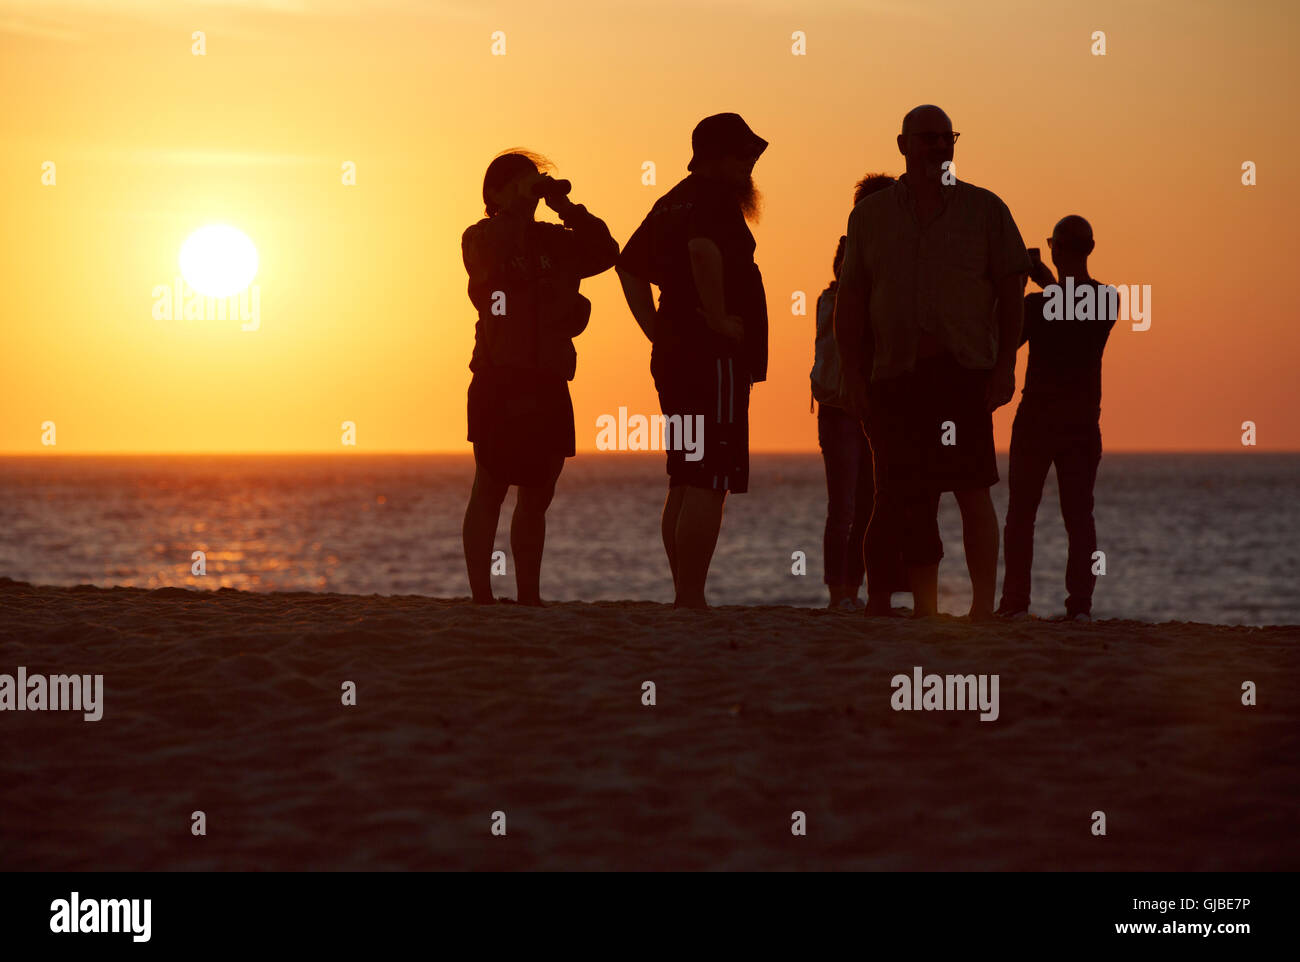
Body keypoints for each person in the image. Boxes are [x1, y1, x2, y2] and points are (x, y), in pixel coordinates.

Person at [835, 105, 1030, 619]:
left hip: (962, 374)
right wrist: (852, 374)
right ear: (903, 145)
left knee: (972, 490)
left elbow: (1013, 289)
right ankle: (916, 605)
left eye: (948, 138)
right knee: (902, 495)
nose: (939, 148)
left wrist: (1005, 364)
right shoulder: (871, 217)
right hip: (896, 377)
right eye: (928, 138)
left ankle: (984, 609)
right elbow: (851, 298)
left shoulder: (985, 210)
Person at [616, 113, 769, 608]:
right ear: (719, 158)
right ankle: (690, 596)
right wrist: (721, 320)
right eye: (744, 156)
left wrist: (656, 332)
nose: (750, 166)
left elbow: (629, 266)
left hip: (676, 353)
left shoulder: (669, 202)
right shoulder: (713, 199)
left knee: (685, 473)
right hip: (711, 357)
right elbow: (703, 251)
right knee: (709, 477)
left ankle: (685, 593)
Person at [460, 149, 618, 605]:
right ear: (496, 192)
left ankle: (529, 594)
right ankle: (482, 598)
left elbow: (606, 251)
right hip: (498, 379)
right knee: (490, 487)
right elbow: (488, 269)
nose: (531, 191)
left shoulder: (554, 240)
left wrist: (565, 208)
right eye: (522, 182)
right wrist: (514, 207)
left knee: (537, 492)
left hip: (548, 380)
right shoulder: (480, 237)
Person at [998, 216, 1114, 622]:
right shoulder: (1108, 299)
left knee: (1021, 514)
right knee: (1079, 516)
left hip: (1037, 420)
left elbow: (1008, 340)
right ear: (1091, 248)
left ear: (1055, 249)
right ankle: (1079, 606)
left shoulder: (1038, 303)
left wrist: (1024, 286)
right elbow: (1077, 312)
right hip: (1081, 422)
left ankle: (1015, 602)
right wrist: (1048, 285)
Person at [812, 173, 908, 610]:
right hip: (845, 403)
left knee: (871, 500)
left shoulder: (885, 256)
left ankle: (868, 591)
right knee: (851, 503)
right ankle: (846, 591)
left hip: (868, 401)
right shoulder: (852, 273)